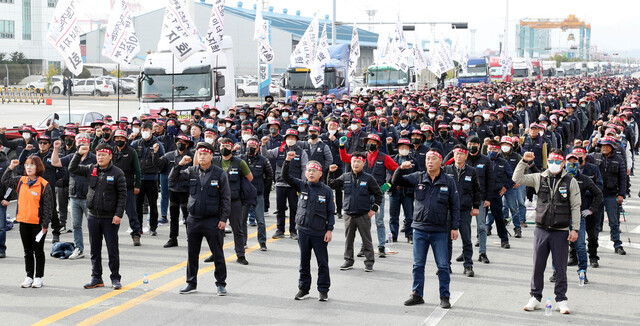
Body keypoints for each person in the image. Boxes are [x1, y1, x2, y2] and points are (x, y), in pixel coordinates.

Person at [513, 150, 580, 314]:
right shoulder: (539, 177)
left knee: (561, 268)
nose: (554, 165)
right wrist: (523, 162)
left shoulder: (570, 181)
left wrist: (575, 229)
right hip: (541, 230)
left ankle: (561, 299)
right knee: (538, 266)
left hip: (561, 230)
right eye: (551, 161)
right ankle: (535, 297)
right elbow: (517, 178)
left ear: (563, 163)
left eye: (558, 162)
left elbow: (576, 206)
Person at [393, 149, 460, 309]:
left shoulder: (448, 181)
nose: (429, 161)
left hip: (439, 231)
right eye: (427, 158)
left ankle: (444, 296)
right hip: (420, 229)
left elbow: (455, 205)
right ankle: (417, 294)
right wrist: (400, 168)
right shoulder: (418, 177)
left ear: (440, 162)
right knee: (418, 265)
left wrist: (455, 227)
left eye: (433, 159)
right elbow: (396, 182)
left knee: (443, 266)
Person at [170, 142, 231, 296]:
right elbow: (173, 179)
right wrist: (179, 164)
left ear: (211, 155)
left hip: (212, 220)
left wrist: (223, 219)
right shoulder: (191, 171)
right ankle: (191, 283)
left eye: (204, 154)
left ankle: (221, 284)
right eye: (199, 154)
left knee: (217, 253)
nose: (201, 156)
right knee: (192, 253)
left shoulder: (219, 173)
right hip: (194, 219)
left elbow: (225, 198)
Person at [69, 144, 127, 290]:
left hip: (110, 218)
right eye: (98, 155)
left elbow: (122, 195)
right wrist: (78, 154)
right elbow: (72, 169)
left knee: (112, 249)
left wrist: (118, 214)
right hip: (93, 216)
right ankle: (96, 277)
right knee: (94, 249)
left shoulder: (117, 172)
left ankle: (115, 278)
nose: (100, 158)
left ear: (110, 156)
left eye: (104, 155)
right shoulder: (91, 169)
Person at [283, 155, 335, 301]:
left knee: (322, 262)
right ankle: (304, 288)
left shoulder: (327, 191)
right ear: (305, 173)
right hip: (303, 231)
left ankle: (323, 290)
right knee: (304, 261)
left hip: (319, 232)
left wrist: (329, 229)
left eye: (314, 170)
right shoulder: (302, 185)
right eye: (309, 170)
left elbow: (331, 212)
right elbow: (285, 176)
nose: (311, 173)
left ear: (320, 173)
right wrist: (287, 161)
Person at [2, 156, 54, 288]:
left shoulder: (44, 184)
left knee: (38, 251)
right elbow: (5, 180)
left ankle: (38, 277)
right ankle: (29, 276)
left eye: (32, 165)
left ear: (38, 167)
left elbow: (48, 207)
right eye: (27, 165)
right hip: (23, 222)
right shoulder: (21, 181)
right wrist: (10, 167)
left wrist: (45, 224)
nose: (29, 167)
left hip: (37, 224)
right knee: (27, 251)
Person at [328, 152, 382, 272]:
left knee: (366, 239)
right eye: (353, 162)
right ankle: (348, 260)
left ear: (363, 163)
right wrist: (331, 172)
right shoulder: (345, 176)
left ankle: (369, 262)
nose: (355, 164)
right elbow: (331, 184)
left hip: (363, 214)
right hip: (349, 214)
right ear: (350, 163)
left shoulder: (368, 178)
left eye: (358, 162)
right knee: (349, 239)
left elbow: (379, 194)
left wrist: (374, 209)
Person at [51, 134, 96, 260]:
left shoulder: (94, 158)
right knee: (76, 225)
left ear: (89, 144)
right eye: (80, 143)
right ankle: (79, 248)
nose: (82, 146)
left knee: (93, 225)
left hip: (89, 196)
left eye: (85, 143)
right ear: (76, 144)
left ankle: (95, 249)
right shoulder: (72, 157)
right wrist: (56, 149)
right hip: (75, 196)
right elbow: (55, 162)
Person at [209, 138, 253, 265]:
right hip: (218, 201)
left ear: (232, 147)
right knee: (217, 229)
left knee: (237, 229)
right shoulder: (215, 161)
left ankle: (240, 255)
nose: (224, 147)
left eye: (227, 145)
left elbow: (249, 177)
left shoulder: (239, 162)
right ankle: (215, 254)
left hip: (234, 201)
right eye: (222, 145)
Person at [261, 129, 309, 240]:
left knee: (294, 208)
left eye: (293, 138)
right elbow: (266, 154)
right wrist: (263, 145)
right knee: (280, 208)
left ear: (296, 140)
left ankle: (293, 230)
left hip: (294, 185)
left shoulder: (301, 152)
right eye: (288, 138)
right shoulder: (279, 150)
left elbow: (304, 168)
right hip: (280, 184)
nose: (290, 140)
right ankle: (280, 230)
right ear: (285, 139)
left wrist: (302, 184)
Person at [444, 145, 481, 277]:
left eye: (461, 154)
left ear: (466, 156)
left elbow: (477, 190)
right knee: (446, 239)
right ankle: (445, 265)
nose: (458, 156)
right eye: (456, 154)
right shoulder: (446, 169)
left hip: (464, 210)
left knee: (466, 238)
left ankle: (468, 265)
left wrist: (476, 206)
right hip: (448, 210)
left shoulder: (472, 171)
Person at [154, 135, 194, 248]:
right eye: (178, 142)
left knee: (188, 216)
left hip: (186, 190)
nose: (180, 144)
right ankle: (173, 238)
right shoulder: (169, 155)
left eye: (183, 142)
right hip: (173, 189)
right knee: (173, 216)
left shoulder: (192, 156)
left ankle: (190, 238)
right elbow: (158, 165)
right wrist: (155, 153)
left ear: (187, 144)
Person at [590, 136, 627, 255]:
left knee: (614, 221)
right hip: (597, 194)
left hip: (611, 194)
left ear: (612, 147)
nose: (604, 148)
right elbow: (582, 156)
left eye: (607, 146)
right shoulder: (594, 156)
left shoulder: (619, 159)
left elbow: (623, 178)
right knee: (595, 221)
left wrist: (621, 194)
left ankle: (617, 244)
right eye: (602, 146)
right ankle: (592, 244)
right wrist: (591, 144)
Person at [131, 122, 165, 236]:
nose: (145, 131)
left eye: (147, 129)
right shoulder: (136, 143)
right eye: (143, 129)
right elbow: (128, 154)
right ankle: (138, 227)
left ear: (151, 131)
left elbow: (162, 161)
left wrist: (155, 153)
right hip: (139, 179)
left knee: (153, 205)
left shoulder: (158, 144)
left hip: (152, 178)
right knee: (138, 205)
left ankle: (153, 227)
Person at [110, 130, 143, 246]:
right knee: (111, 213)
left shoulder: (131, 151)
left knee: (132, 212)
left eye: (122, 138)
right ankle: (111, 235)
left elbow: (137, 170)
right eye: (117, 138)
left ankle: (136, 234)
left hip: (127, 187)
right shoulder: (111, 151)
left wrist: (137, 185)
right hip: (112, 187)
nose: (119, 140)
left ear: (125, 140)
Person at [241, 138, 273, 251]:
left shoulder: (263, 160)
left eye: (253, 146)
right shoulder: (241, 159)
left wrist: (263, 189)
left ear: (257, 148)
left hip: (258, 194)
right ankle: (243, 242)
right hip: (244, 195)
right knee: (242, 220)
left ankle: (262, 242)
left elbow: (270, 176)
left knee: (260, 220)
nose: (250, 148)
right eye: (249, 145)